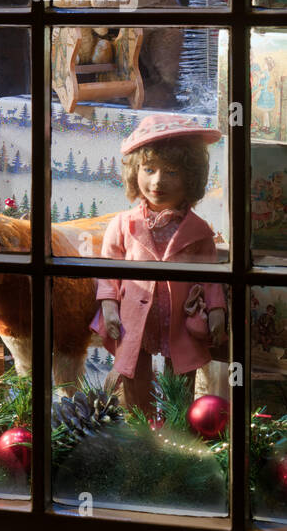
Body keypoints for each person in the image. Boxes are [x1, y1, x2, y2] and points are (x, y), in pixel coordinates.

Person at [93, 115, 227, 412]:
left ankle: (177, 430)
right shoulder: (123, 224)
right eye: (149, 169)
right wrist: (108, 305)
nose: (157, 181)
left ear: (190, 178)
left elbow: (211, 276)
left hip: (180, 318)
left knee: (180, 374)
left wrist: (217, 309)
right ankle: (140, 428)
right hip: (133, 316)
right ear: (135, 172)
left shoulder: (199, 230)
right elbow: (108, 270)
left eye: (171, 172)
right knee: (133, 372)